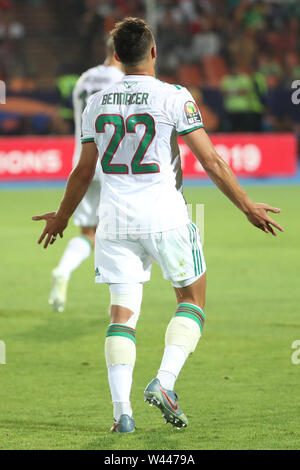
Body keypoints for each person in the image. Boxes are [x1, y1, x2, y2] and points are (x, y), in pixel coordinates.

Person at [33, 17, 283, 433]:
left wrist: (62, 217)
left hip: (113, 222)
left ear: (117, 57)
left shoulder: (97, 102)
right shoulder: (174, 97)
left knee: (121, 316)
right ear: (153, 52)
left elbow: (82, 172)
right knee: (192, 299)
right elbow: (212, 161)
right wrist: (246, 206)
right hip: (165, 215)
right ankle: (164, 382)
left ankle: (121, 414)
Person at [49, 37, 124, 313]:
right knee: (118, 234)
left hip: (83, 163)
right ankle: (117, 301)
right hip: (115, 164)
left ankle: (63, 270)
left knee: (88, 232)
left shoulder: (83, 80)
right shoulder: (123, 82)